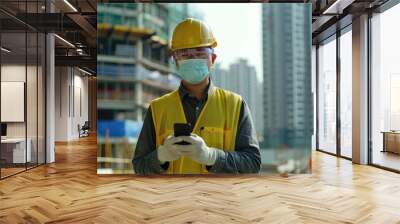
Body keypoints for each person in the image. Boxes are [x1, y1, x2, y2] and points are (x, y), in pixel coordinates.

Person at [133, 18, 261, 174]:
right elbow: (139, 166)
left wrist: (212, 156)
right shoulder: (157, 108)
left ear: (212, 59)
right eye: (184, 54)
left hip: (218, 198)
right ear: (175, 61)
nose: (192, 59)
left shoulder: (235, 105)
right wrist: (160, 156)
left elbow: (253, 163)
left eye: (199, 53)